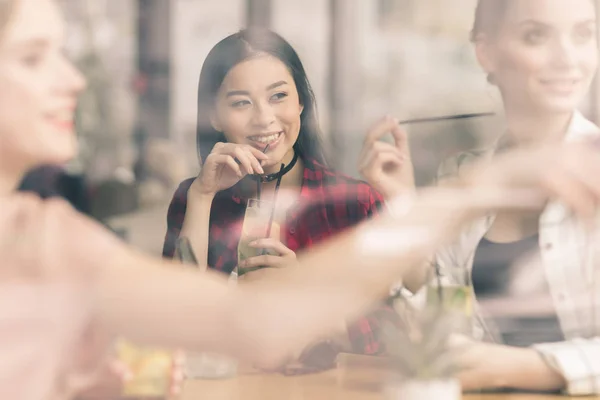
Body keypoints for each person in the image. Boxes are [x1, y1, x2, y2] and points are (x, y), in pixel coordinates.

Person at [3, 1, 600, 399]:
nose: (75, 79)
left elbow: (403, 328)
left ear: (301, 104)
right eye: (33, 56)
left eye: (279, 96)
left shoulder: (48, 236)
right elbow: (193, 332)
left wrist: (430, 204)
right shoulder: (176, 203)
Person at [359, 0, 600, 395]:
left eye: (583, 34)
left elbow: (489, 365)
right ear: (486, 52)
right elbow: (441, 331)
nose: (568, 58)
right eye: (537, 35)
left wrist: (523, 368)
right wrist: (405, 204)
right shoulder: (467, 179)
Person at [162, 28, 400, 363]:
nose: (264, 118)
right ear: (213, 115)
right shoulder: (195, 198)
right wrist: (202, 195)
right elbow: (171, 323)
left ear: (300, 102)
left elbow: (390, 338)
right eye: (241, 102)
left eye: (278, 97)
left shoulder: (355, 202)